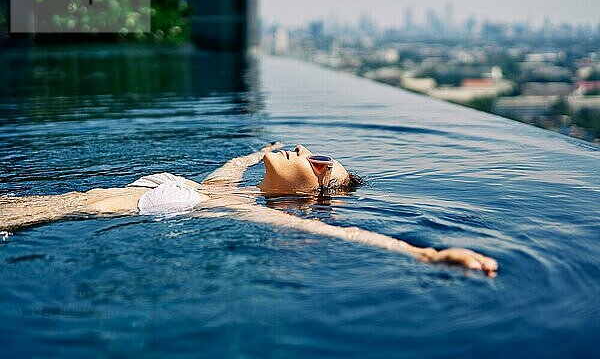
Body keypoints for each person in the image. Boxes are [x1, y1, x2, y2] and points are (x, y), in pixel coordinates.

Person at [0, 143, 498, 276]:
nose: (304, 152)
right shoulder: (223, 192)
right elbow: (229, 169)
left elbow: (347, 237)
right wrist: (256, 153)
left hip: (25, 219)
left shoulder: (253, 215)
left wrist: (427, 255)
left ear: (315, 191)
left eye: (320, 161)